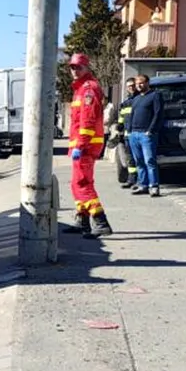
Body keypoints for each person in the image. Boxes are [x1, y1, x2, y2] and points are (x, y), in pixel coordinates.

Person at [67, 53, 112, 237]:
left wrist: (81, 145)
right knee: (77, 183)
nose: (75, 71)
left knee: (82, 183)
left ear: (86, 67)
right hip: (82, 144)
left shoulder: (88, 89)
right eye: (72, 67)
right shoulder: (81, 89)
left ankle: (100, 222)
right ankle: (83, 220)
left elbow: (88, 120)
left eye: (79, 67)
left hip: (85, 145)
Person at [127, 74, 162, 197]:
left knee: (150, 161)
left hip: (146, 135)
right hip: (134, 134)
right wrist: (129, 130)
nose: (139, 85)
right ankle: (143, 185)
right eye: (137, 83)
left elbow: (158, 114)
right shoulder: (136, 99)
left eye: (141, 83)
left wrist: (150, 130)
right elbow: (131, 115)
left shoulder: (154, 96)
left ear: (147, 83)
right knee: (139, 161)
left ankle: (154, 186)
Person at [116, 78, 139, 188]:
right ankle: (132, 179)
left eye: (133, 85)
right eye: (129, 86)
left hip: (137, 133)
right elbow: (121, 117)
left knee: (139, 158)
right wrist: (119, 126)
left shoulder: (139, 100)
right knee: (130, 159)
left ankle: (140, 181)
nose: (131, 88)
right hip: (127, 135)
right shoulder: (125, 103)